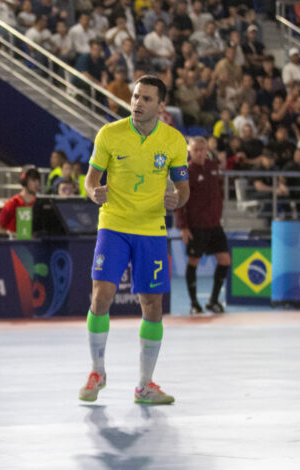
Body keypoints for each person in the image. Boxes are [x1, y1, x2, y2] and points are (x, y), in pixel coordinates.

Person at [79, 75, 189, 405]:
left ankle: (145, 385)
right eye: (136, 96)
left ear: (161, 106)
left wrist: (177, 200)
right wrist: (93, 193)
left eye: (146, 98)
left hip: (152, 229)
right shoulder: (109, 134)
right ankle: (97, 371)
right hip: (113, 224)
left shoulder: (174, 141)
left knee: (152, 305)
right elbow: (89, 181)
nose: (138, 103)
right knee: (102, 295)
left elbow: (183, 189)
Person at [174, 137, 230, 314]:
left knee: (225, 260)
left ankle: (213, 300)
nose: (199, 153)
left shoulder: (213, 167)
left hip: (214, 225)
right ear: (189, 151)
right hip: (196, 226)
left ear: (207, 150)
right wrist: (183, 227)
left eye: (202, 149)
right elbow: (179, 200)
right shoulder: (186, 171)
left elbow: (219, 191)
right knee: (193, 262)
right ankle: (194, 304)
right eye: (195, 149)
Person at [0, 167, 41, 234]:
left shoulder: (39, 204)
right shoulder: (12, 203)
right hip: (15, 243)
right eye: (33, 180)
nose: (37, 183)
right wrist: (15, 235)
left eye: (38, 180)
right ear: (24, 181)